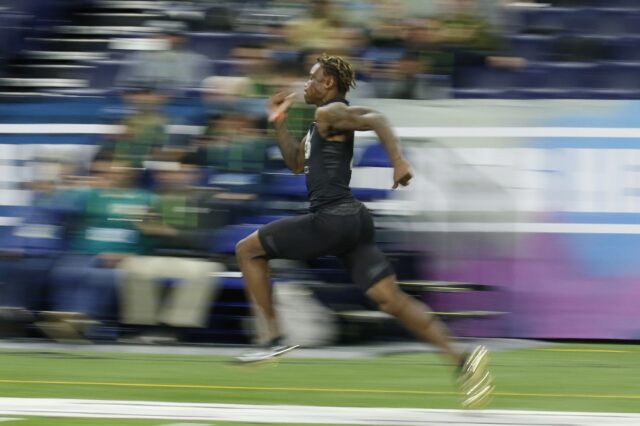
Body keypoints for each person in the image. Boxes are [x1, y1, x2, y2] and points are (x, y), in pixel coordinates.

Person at [234, 54, 494, 408]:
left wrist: (399, 161)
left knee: (247, 250)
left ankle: (273, 339)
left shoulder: (330, 112)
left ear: (328, 84)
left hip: (331, 219)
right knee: (392, 300)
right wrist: (278, 119)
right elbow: (297, 164)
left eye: (312, 79)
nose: (306, 85)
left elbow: (376, 118)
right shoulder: (319, 122)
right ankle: (462, 362)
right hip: (352, 222)